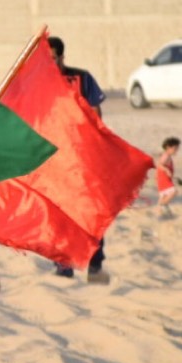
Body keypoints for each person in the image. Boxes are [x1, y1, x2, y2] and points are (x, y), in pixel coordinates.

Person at [49, 35, 110, 284]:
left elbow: (96, 115)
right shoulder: (36, 84)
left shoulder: (81, 78)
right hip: (54, 160)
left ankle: (95, 265)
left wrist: (90, 145)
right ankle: (64, 267)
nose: (49, 64)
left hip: (83, 156)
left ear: (62, 57)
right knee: (59, 214)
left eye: (53, 59)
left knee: (91, 211)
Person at [156, 137, 182, 219]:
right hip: (163, 179)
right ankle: (163, 205)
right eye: (175, 149)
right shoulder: (166, 156)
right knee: (174, 191)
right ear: (168, 147)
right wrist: (167, 170)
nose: (176, 151)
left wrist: (171, 175)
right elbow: (159, 164)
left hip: (163, 178)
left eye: (177, 149)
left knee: (163, 196)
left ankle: (160, 213)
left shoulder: (167, 156)